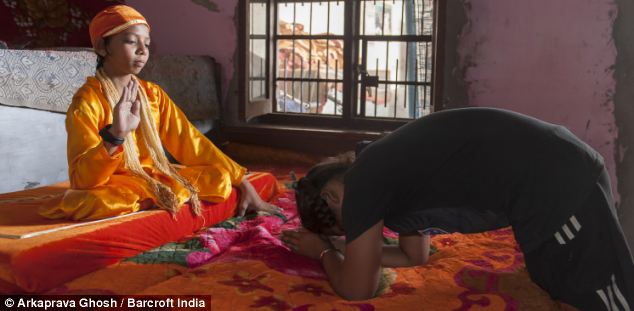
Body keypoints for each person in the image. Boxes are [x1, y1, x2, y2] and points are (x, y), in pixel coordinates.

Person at [281, 107, 634, 309]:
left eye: (348, 227)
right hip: (550, 177)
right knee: (557, 284)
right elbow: (413, 256)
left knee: (599, 295)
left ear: (332, 198)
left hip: (555, 184)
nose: (359, 229)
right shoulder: (384, 170)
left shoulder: (363, 184)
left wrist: (325, 253)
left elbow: (358, 289)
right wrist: (347, 249)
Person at [39, 5, 279, 220]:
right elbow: (83, 181)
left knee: (218, 177)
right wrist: (115, 135)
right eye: (132, 41)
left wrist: (241, 180)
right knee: (90, 201)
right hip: (114, 184)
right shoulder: (87, 102)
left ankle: (152, 199)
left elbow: (191, 142)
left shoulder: (152, 94)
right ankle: (152, 198)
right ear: (103, 47)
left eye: (147, 43)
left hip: (151, 178)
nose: (143, 51)